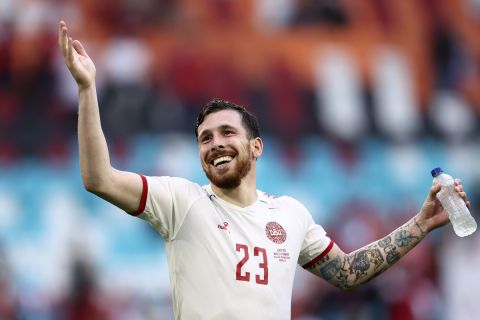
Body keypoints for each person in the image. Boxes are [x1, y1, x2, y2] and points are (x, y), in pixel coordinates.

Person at [58, 20, 471, 320]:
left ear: (256, 147)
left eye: (226, 133)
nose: (215, 143)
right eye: (204, 138)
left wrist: (418, 225)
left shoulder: (291, 214)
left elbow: (347, 273)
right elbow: (98, 178)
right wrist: (87, 88)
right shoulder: (180, 201)